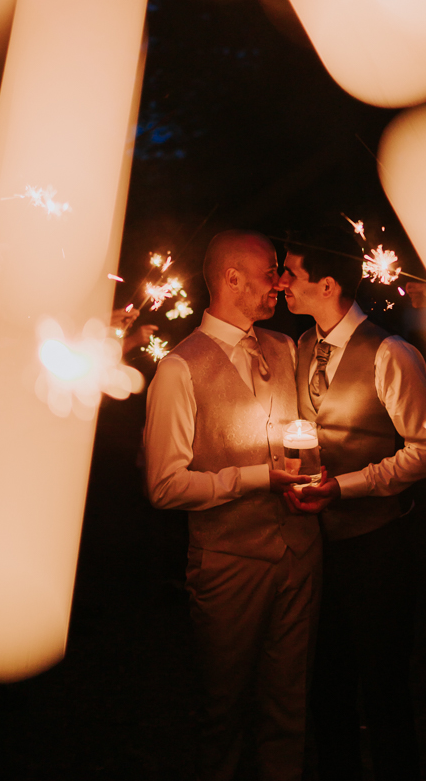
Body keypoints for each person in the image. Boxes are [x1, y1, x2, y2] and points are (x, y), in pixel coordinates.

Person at [143, 230, 321, 781]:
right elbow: (164, 486)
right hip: (228, 561)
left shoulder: (285, 348)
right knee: (221, 710)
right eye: (271, 271)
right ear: (231, 278)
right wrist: (253, 479)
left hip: (299, 554)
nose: (281, 281)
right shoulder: (179, 368)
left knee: (290, 708)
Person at [279, 227, 426, 781]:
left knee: (383, 686)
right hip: (317, 547)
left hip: (377, 545)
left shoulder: (391, 352)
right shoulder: (301, 347)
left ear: (327, 285)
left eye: (290, 273)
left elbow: (425, 451)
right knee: (327, 684)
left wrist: (345, 488)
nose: (281, 283)